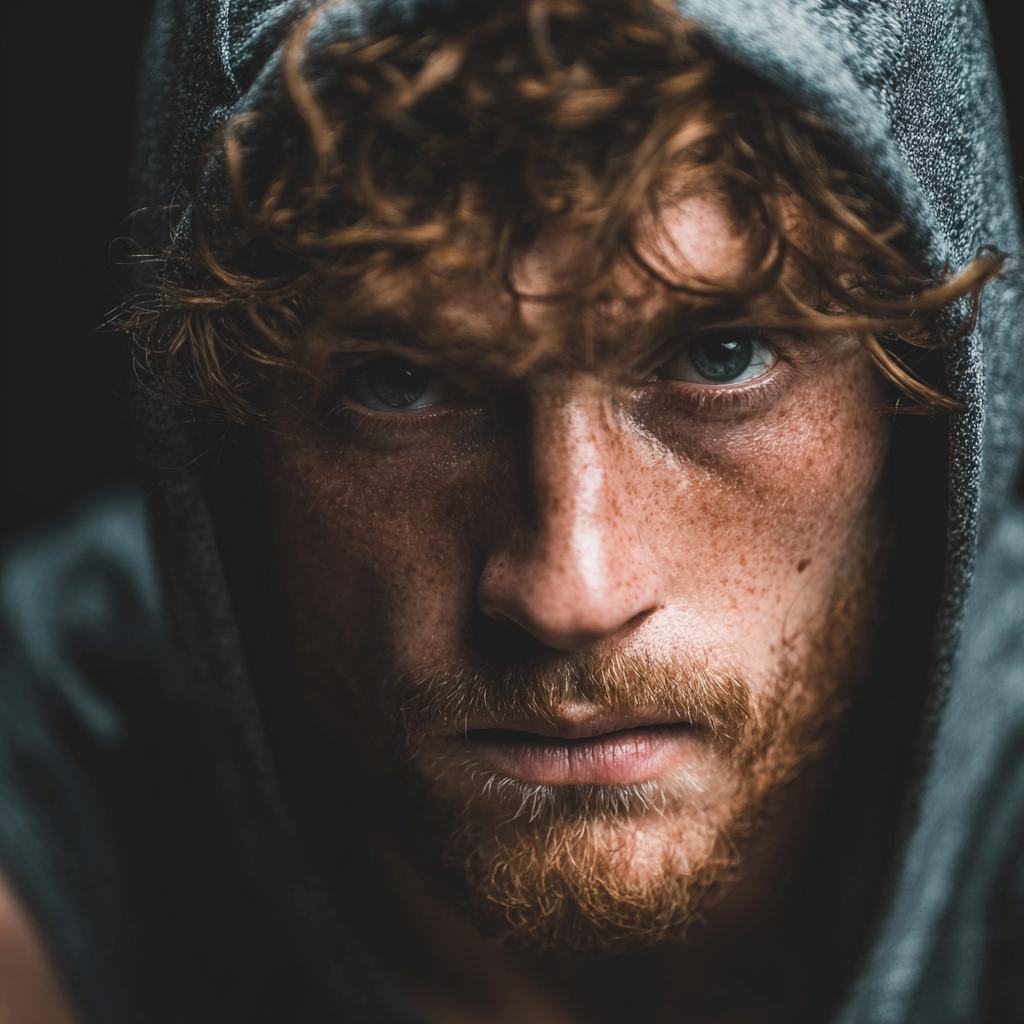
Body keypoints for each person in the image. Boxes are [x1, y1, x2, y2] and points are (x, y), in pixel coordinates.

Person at [1, 0, 1021, 1021]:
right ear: (226, 437)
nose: (568, 590)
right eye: (400, 383)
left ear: (928, 405)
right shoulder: (53, 791)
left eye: (722, 358)